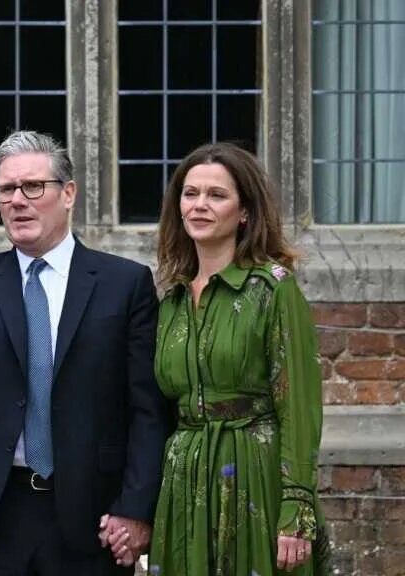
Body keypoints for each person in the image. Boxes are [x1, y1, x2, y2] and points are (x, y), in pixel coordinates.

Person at [0, 130, 172, 575]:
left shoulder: (123, 283)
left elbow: (148, 408)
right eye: (6, 189)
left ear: (68, 193)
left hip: (89, 512)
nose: (18, 200)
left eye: (33, 187)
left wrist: (135, 508)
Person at [141, 142, 331, 575]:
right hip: (184, 480)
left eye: (216, 195)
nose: (200, 206)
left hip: (254, 476)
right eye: (190, 194)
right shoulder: (170, 299)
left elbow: (299, 408)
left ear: (244, 212)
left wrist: (296, 508)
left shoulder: (272, 289)